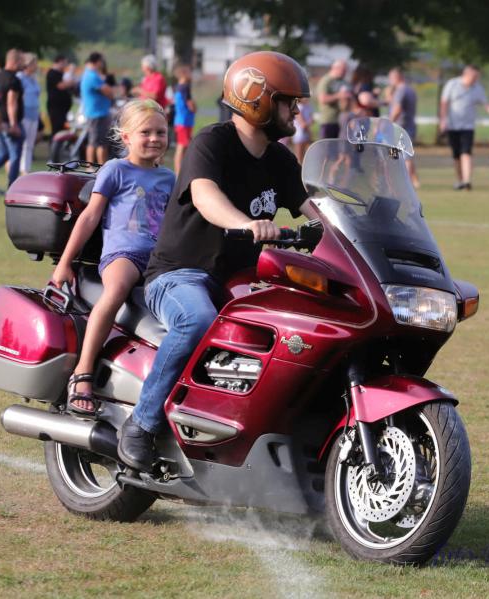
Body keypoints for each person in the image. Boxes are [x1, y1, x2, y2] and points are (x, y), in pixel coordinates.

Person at [117, 51, 319, 471]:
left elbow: (313, 209)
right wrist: (246, 223)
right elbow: (205, 195)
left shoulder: (280, 160)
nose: (297, 111)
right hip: (180, 274)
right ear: (257, 100)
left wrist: (356, 227)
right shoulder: (212, 143)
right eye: (289, 102)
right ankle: (141, 424)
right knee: (197, 320)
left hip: (241, 279)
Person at [51, 100, 175, 416]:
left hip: (159, 258)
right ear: (126, 136)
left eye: (160, 132)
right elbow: (90, 216)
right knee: (117, 291)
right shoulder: (116, 169)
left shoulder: (169, 178)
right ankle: (83, 372)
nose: (154, 138)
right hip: (124, 253)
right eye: (145, 132)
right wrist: (65, 262)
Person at [440, 65, 487, 191]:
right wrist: (443, 121)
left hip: (468, 126)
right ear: (467, 74)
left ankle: (467, 181)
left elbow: (487, 105)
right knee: (456, 156)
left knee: (466, 153)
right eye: (474, 76)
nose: (476, 79)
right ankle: (460, 180)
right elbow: (444, 102)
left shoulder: (477, 88)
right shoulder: (452, 84)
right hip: (452, 125)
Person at [0, 48, 25, 189]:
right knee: (15, 155)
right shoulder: (13, 80)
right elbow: (11, 102)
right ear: (14, 62)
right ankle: (13, 186)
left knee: (4, 153)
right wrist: (14, 124)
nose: (23, 65)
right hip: (9, 123)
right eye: (21, 62)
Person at [388, 68, 420, 188]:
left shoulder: (401, 90)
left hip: (400, 127)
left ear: (396, 77)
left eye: (390, 78)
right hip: (409, 126)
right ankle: (412, 181)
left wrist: (389, 123)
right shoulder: (410, 90)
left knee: (401, 156)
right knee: (403, 154)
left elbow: (397, 109)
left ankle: (404, 182)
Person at [80, 52, 115, 164]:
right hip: (96, 114)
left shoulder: (90, 74)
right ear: (98, 62)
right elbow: (108, 91)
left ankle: (98, 166)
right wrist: (111, 93)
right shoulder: (92, 76)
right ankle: (92, 167)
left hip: (98, 113)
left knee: (99, 142)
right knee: (96, 143)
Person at [18, 53, 41, 174]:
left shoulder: (33, 78)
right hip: (24, 114)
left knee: (30, 144)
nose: (36, 66)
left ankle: (26, 169)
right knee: (24, 144)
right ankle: (23, 169)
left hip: (34, 114)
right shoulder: (20, 77)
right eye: (34, 63)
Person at [171, 64, 196, 174]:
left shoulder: (178, 87)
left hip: (182, 121)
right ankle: (178, 174)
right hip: (184, 121)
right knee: (181, 147)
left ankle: (181, 172)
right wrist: (194, 107)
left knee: (184, 147)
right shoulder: (185, 87)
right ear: (184, 74)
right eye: (190, 73)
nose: (192, 75)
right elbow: (190, 105)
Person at [316, 59, 348, 139]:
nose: (345, 73)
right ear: (335, 68)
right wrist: (339, 95)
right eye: (343, 70)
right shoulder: (326, 80)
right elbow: (322, 99)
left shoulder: (342, 81)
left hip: (339, 121)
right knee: (326, 146)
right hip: (328, 121)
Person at [46, 55, 75, 137]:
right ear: (60, 62)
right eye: (65, 63)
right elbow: (61, 85)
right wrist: (71, 80)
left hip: (63, 108)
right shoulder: (52, 73)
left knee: (64, 129)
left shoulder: (61, 74)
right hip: (56, 108)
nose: (66, 65)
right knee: (57, 129)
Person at [291, 96, 314, 164]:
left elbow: (310, 120)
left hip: (307, 135)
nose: (306, 98)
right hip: (299, 135)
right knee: (299, 157)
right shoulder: (299, 107)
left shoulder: (308, 106)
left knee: (307, 157)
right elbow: (303, 125)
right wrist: (310, 123)